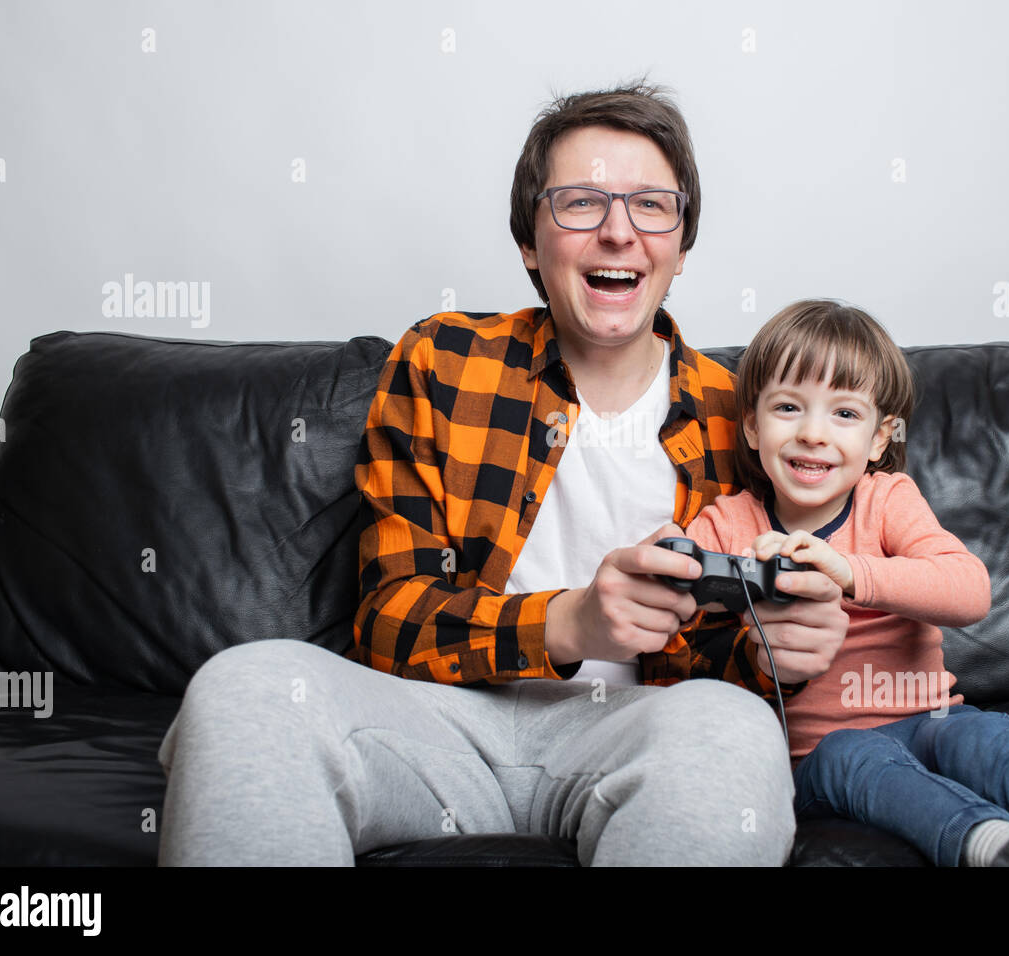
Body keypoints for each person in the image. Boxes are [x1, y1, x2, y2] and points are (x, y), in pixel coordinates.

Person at [155, 81, 850, 866]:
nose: (619, 232)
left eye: (652, 205)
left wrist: (778, 651)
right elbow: (387, 622)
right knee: (246, 687)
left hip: (635, 733)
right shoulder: (444, 360)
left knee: (732, 728)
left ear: (681, 246)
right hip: (438, 725)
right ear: (529, 242)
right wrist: (572, 624)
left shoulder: (749, 414)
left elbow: (725, 665)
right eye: (581, 203)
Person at [680, 298, 1009, 866]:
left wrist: (850, 572)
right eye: (789, 408)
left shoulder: (887, 499)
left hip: (930, 719)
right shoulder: (728, 522)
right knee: (853, 753)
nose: (814, 434)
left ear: (878, 439)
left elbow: (968, 590)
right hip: (814, 756)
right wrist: (731, 576)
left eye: (844, 414)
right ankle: (991, 846)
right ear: (751, 427)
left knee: (988, 739)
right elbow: (681, 621)